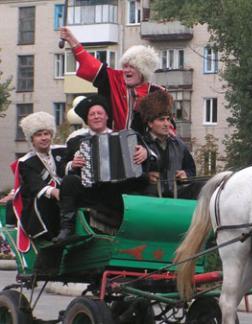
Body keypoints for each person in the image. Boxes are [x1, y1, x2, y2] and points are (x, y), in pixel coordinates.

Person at [52, 95, 148, 244]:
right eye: (92, 114)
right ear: (87, 119)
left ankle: (137, 231)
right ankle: (67, 229)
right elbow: (60, 169)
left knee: (142, 179)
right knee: (70, 181)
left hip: (118, 190)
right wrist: (72, 164)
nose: (96, 117)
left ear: (106, 116)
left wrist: (145, 153)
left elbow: (151, 161)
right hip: (91, 190)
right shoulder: (75, 141)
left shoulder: (127, 138)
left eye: (99, 113)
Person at [58, 27, 163, 135]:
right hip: (111, 142)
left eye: (132, 67)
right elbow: (88, 62)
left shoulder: (155, 92)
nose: (126, 70)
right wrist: (71, 39)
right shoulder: (112, 79)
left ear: (143, 70)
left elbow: (165, 124)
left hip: (143, 147)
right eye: (125, 66)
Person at [12, 112, 67, 252]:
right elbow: (35, 185)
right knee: (45, 199)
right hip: (38, 202)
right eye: (39, 135)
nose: (44, 138)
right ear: (32, 139)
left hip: (66, 196)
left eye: (46, 133)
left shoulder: (62, 151)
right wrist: (55, 192)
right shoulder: (26, 162)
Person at [139, 91, 196, 198]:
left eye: (168, 119)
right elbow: (130, 178)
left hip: (175, 202)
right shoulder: (140, 145)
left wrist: (186, 175)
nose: (166, 124)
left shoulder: (180, 145)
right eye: (161, 120)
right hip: (148, 203)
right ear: (150, 123)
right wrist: (146, 178)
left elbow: (191, 171)